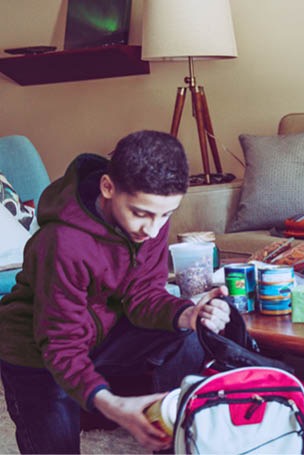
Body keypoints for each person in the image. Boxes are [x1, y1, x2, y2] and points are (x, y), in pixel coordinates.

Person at [0, 130, 231, 453]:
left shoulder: (151, 221)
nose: (152, 229)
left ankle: (170, 440)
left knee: (188, 335)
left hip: (102, 333)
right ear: (107, 187)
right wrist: (110, 403)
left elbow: (143, 295)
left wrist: (187, 313)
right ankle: (89, 404)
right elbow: (61, 344)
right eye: (141, 213)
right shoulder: (62, 243)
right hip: (38, 352)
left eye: (165, 215)